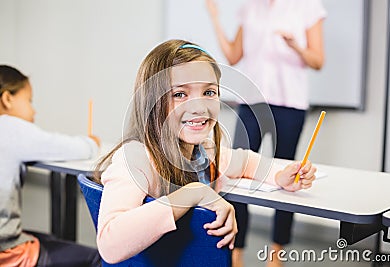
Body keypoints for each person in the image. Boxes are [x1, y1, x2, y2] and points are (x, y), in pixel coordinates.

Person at [93, 39, 317, 265]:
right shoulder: (136, 158)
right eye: (179, 94)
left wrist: (280, 176)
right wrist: (194, 193)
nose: (199, 107)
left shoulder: (206, 153)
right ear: (151, 101)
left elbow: (246, 161)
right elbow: (110, 246)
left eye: (209, 92)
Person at [206, 0, 326, 266]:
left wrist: (296, 46)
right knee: (234, 175)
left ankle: (276, 254)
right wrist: (214, 17)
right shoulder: (250, 7)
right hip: (252, 102)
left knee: (288, 177)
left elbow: (318, 60)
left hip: (289, 104)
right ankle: (236, 254)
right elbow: (233, 56)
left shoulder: (308, 6)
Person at [0, 65, 101, 266]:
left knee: (50, 238)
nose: (33, 110)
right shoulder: (10, 127)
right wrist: (92, 142)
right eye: (29, 101)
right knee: (98, 258)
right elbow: (79, 149)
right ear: (7, 99)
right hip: (6, 253)